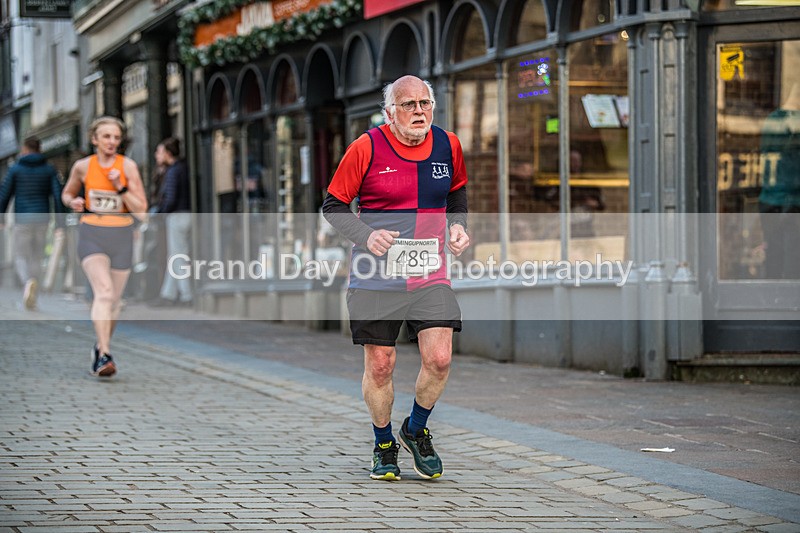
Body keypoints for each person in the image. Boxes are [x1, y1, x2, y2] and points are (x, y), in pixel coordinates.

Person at [323, 75, 470, 481]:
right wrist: (367, 235)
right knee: (382, 364)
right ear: (391, 112)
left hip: (430, 271)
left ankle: (416, 429)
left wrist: (457, 226)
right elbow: (333, 206)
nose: (418, 111)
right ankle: (384, 444)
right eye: (408, 104)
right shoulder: (366, 147)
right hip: (375, 275)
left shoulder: (449, 144)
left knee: (439, 358)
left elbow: (456, 192)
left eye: (425, 103)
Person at [61, 116, 147, 377]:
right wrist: (72, 202)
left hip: (121, 235)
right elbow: (66, 193)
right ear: (94, 139)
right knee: (104, 292)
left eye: (116, 137)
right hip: (92, 233)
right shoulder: (83, 167)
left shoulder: (128, 167)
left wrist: (120, 187)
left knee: (116, 302)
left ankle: (100, 348)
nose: (112, 142)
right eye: (106, 137)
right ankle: (106, 356)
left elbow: (141, 210)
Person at [0, 137, 66, 310]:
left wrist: (1, 218)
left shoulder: (15, 169)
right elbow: (58, 196)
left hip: (22, 219)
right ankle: (34, 285)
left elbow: (4, 194)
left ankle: (27, 282)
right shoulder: (49, 169)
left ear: (24, 149)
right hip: (43, 219)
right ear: (40, 148)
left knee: (21, 255)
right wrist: (60, 223)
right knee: (37, 255)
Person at [758, 82, 800, 280]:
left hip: (769, 199)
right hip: (790, 201)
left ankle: (772, 300)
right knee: (792, 263)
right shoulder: (794, 122)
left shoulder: (772, 120)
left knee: (774, 257)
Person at [150, 137, 193, 307]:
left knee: (178, 256)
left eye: (159, 151)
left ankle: (186, 295)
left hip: (177, 216)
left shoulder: (174, 171)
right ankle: (168, 294)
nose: (156, 155)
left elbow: (170, 197)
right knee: (176, 255)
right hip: (184, 214)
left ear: (168, 153)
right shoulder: (180, 169)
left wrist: (160, 212)